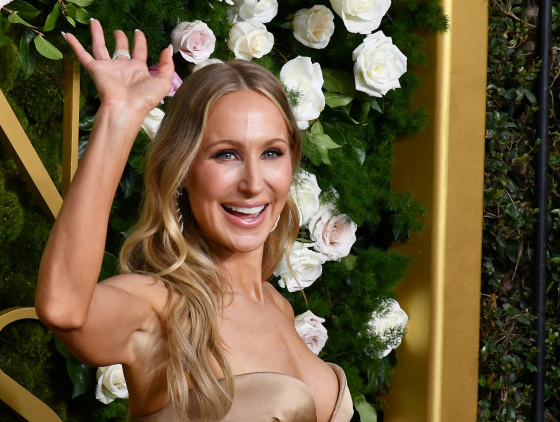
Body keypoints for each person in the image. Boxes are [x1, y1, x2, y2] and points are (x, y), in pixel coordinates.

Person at [36, 19, 354, 422]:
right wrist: (120, 116)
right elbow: (63, 308)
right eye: (226, 154)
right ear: (183, 170)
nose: (254, 183)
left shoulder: (279, 308)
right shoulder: (157, 307)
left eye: (271, 153)